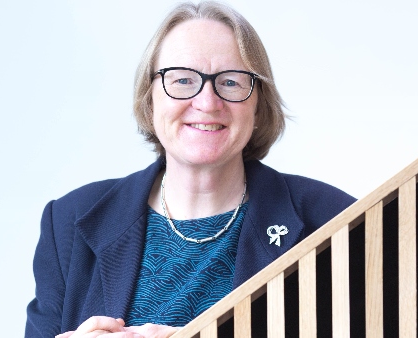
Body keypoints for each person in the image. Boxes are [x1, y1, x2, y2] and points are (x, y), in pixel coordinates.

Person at [25, 1, 356, 337]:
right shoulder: (68, 221)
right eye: (182, 80)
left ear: (258, 105)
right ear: (150, 99)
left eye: (230, 82)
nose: (208, 102)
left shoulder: (333, 220)